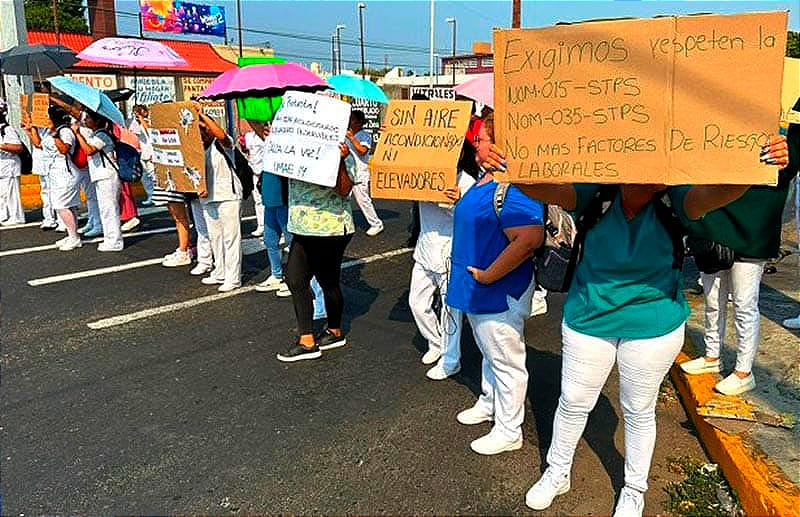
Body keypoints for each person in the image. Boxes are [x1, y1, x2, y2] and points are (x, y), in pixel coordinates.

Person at [498, 137, 790, 516]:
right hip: (589, 319)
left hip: (654, 326)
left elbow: (720, 192)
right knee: (572, 402)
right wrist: (514, 167)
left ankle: (634, 488)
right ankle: (558, 471)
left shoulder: (677, 198)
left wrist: (762, 163)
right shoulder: (598, 192)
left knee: (638, 409)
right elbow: (550, 188)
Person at [681, 110, 800, 394]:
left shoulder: (787, 109)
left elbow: (791, 160)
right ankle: (712, 355)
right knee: (713, 296)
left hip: (754, 224)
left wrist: (786, 155)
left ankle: (744, 370)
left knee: (745, 303)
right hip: (715, 218)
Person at [446, 113, 545, 455]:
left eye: (482, 138)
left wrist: (489, 275)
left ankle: (509, 430)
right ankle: (489, 402)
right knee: (491, 353)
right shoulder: (486, 179)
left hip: (497, 292)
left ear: (504, 143)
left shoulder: (514, 185)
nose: (476, 143)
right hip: (478, 290)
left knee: (506, 361)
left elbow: (530, 237)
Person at [276, 143, 356, 362]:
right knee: (298, 280)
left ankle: (319, 337)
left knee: (323, 281)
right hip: (303, 227)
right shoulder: (295, 143)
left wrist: (340, 159)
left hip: (329, 227)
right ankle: (324, 334)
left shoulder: (342, 148)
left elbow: (345, 188)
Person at [412, 138, 477, 380]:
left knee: (450, 311)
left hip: (449, 253)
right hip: (424, 249)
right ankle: (435, 343)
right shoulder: (423, 174)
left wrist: (457, 202)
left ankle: (451, 360)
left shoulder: (468, 183)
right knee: (417, 303)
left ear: (460, 156)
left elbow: (472, 220)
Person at [197, 105, 242, 292]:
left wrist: (201, 115)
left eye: (204, 129)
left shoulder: (222, 144)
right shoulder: (196, 151)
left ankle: (234, 277)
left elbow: (221, 135)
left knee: (231, 238)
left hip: (228, 195)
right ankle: (220, 270)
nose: (203, 133)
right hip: (208, 198)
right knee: (215, 237)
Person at [25, 105, 83, 251]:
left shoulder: (65, 131)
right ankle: (72, 235)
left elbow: (64, 150)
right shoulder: (50, 132)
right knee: (67, 205)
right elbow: (39, 145)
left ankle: (74, 238)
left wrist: (54, 134)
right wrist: (30, 129)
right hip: (55, 173)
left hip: (66, 172)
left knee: (61, 205)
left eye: (47, 117)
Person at [71, 109, 124, 252]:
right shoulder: (96, 134)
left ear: (97, 121)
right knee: (104, 208)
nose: (86, 120)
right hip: (100, 176)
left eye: (88, 118)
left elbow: (89, 150)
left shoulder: (102, 135)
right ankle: (110, 238)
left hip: (107, 175)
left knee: (110, 209)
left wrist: (77, 134)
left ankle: (115, 240)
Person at [346, 109, 384, 236]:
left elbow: (362, 150)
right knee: (342, 199)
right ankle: (345, 223)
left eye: (353, 119)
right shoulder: (345, 133)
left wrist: (351, 138)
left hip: (359, 173)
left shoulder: (365, 135)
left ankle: (376, 223)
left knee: (363, 200)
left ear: (359, 122)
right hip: (346, 172)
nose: (350, 121)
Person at [0, 99, 26, 226]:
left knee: (11, 194)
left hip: (9, 167)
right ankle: (5, 215)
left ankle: (16, 216)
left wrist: (1, 146)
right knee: (3, 195)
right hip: (2, 168)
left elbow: (18, 147)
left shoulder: (7, 129)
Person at [129, 104, 156, 207]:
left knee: (154, 175)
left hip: (151, 152)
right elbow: (133, 134)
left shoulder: (151, 120)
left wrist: (142, 119)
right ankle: (150, 196)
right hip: (141, 152)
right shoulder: (135, 123)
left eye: (140, 111)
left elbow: (150, 132)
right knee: (144, 177)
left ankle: (158, 196)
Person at [242, 123, 265, 237]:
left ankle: (276, 227)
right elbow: (246, 151)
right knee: (258, 200)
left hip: (265, 171)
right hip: (254, 171)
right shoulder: (248, 136)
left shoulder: (266, 134)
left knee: (271, 202)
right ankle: (261, 225)